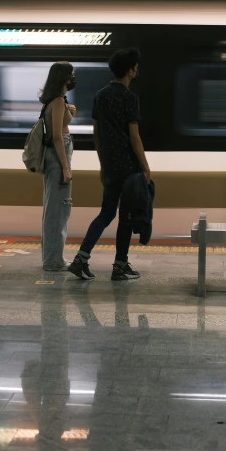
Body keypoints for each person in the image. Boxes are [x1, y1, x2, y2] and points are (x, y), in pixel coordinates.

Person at [69, 47, 150, 281]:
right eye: (135, 66)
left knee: (106, 213)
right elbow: (134, 137)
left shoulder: (101, 95)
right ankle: (119, 266)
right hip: (129, 167)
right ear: (130, 70)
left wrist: (103, 163)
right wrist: (145, 166)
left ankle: (81, 259)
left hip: (111, 165)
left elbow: (97, 133)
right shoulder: (129, 97)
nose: (137, 70)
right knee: (125, 217)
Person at [39, 61, 76, 272]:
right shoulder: (59, 101)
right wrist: (66, 168)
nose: (73, 79)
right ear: (64, 78)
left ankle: (50, 257)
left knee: (52, 209)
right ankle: (53, 261)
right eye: (71, 75)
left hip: (52, 158)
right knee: (59, 210)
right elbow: (57, 136)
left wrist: (70, 112)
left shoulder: (52, 101)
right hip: (58, 157)